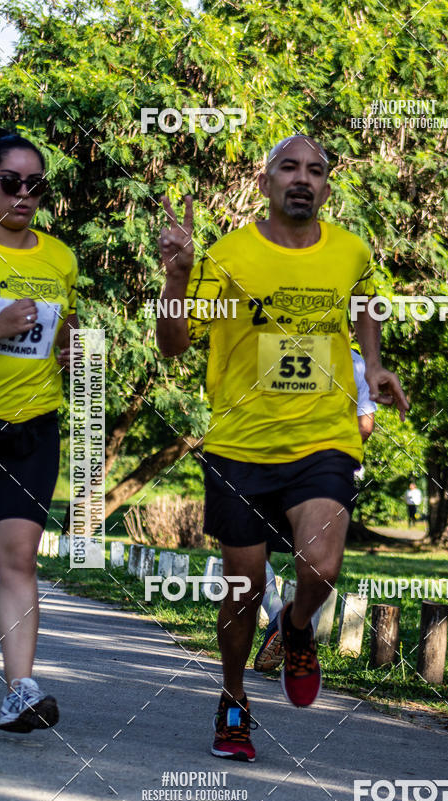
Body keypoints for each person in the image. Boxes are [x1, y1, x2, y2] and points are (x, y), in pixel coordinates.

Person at [157, 133, 408, 762]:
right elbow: (173, 344)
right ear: (265, 182)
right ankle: (234, 701)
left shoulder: (349, 251)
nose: (302, 178)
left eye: (315, 170)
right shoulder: (229, 254)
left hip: (322, 436)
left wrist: (373, 366)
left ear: (326, 186)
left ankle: (296, 627)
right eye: (288, 168)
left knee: (321, 567)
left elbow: (365, 304)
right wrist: (179, 273)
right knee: (241, 590)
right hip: (240, 443)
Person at [0, 132, 78, 732]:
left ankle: (19, 690)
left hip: (33, 426)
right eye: (9, 182)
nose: (23, 194)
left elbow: (60, 338)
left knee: (19, 558)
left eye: (34, 184)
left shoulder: (61, 258)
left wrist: (71, 352)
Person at [253, 347, 377, 673]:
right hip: (329, 477)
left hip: (272, 465)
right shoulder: (355, 361)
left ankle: (281, 619)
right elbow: (365, 426)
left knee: (254, 550)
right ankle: (293, 622)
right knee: (315, 560)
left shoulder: (275, 347)